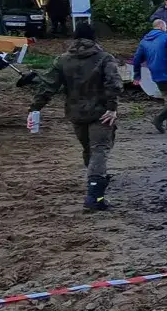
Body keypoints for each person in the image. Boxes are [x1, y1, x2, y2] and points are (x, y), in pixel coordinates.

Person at [27, 22, 122, 211]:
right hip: (100, 113)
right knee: (99, 150)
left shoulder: (63, 60)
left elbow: (48, 85)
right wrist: (112, 108)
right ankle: (95, 195)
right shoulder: (104, 58)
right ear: (94, 38)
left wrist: (35, 107)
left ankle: (96, 183)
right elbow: (114, 84)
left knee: (89, 150)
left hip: (76, 113)